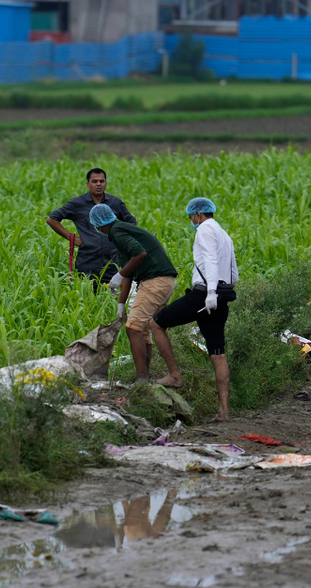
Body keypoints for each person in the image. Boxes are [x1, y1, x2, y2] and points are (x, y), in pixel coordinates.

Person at [149, 197, 238, 423]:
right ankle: (223, 411)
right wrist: (221, 291)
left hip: (204, 295)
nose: (192, 221)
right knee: (218, 353)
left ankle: (174, 376)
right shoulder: (223, 233)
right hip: (223, 295)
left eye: (191, 217)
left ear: (198, 213)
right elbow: (233, 270)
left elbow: (209, 260)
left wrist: (210, 293)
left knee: (156, 323)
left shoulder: (205, 230)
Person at [89, 203, 177, 383]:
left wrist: (118, 275)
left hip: (155, 281)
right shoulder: (121, 230)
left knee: (133, 328)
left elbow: (140, 254)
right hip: (162, 282)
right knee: (143, 330)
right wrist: (121, 303)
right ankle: (146, 376)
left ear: (98, 224)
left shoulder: (117, 231)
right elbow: (129, 272)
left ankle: (142, 380)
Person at [46, 168, 137, 287]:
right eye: (94, 181)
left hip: (113, 262)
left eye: (101, 181)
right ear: (88, 185)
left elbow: (132, 223)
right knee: (87, 297)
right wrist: (71, 237)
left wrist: (123, 240)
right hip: (88, 261)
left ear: (106, 184)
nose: (98, 184)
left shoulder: (115, 202)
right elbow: (52, 219)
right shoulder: (77, 203)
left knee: (114, 297)